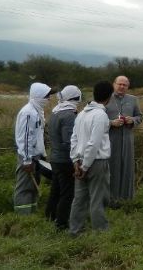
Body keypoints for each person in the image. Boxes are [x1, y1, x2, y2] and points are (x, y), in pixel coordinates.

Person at [69, 81, 114, 235]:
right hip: (95, 163)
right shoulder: (101, 115)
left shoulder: (81, 113)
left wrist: (76, 161)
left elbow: (74, 139)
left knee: (79, 199)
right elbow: (93, 144)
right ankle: (101, 231)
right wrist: (85, 166)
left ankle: (75, 230)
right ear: (109, 97)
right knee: (97, 198)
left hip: (80, 161)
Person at [14, 82, 56, 214]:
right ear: (38, 96)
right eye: (46, 96)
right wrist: (27, 160)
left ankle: (31, 213)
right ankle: (22, 218)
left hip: (36, 156)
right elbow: (25, 138)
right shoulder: (28, 113)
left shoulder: (37, 111)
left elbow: (37, 137)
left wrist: (42, 154)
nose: (49, 99)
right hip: (28, 157)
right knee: (24, 186)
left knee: (33, 185)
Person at [45, 85, 81, 230]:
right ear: (75, 98)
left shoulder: (55, 112)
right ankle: (62, 223)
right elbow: (69, 141)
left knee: (56, 189)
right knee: (67, 193)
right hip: (65, 160)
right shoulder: (69, 115)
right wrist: (76, 159)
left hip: (55, 158)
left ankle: (50, 215)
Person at [105, 75, 143, 206]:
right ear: (114, 84)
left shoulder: (133, 100)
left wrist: (132, 120)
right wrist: (111, 123)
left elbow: (139, 116)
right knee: (111, 167)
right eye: (119, 84)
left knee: (126, 167)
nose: (121, 87)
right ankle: (109, 199)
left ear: (128, 87)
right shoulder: (106, 99)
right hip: (110, 140)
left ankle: (126, 198)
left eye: (124, 85)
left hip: (127, 140)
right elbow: (97, 119)